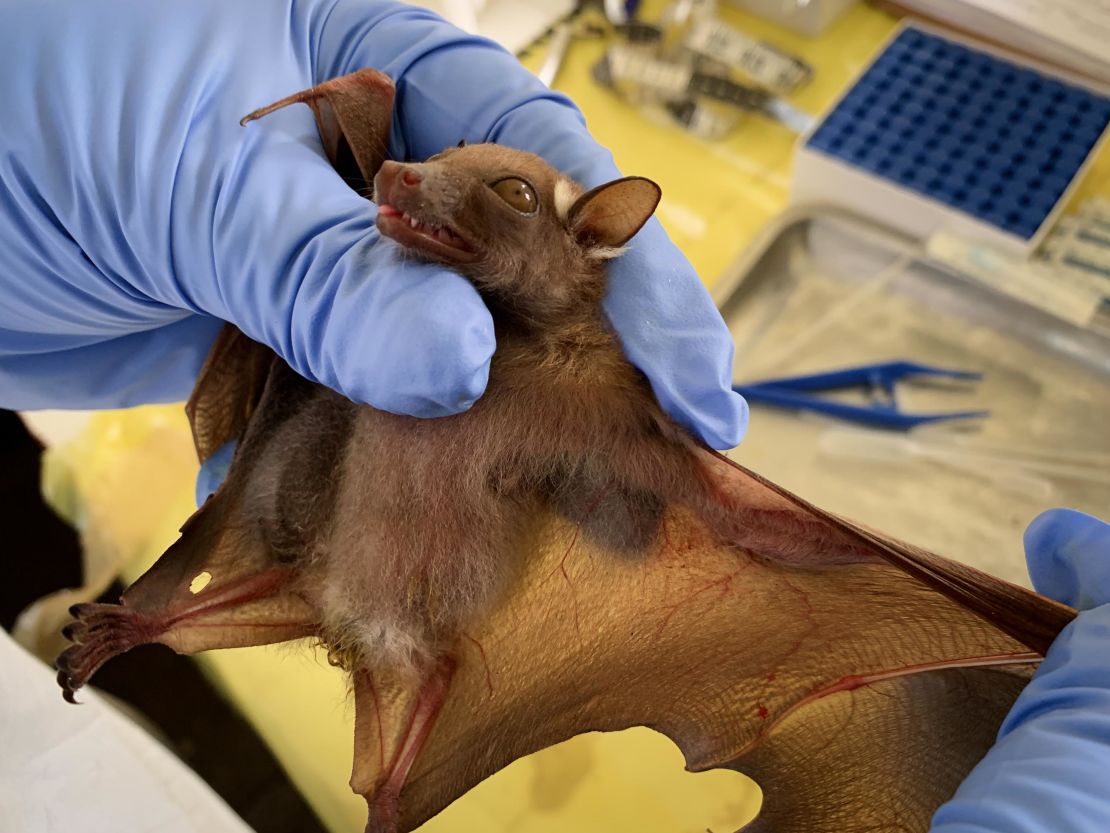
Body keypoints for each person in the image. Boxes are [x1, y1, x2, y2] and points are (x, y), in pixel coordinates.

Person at [0, 2, 1105, 831]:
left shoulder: (593, 391)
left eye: (509, 193)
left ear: (592, 238)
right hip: (331, 559)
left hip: (430, 627)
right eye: (423, 166)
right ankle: (154, 620)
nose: (420, 176)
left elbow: (767, 530)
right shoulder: (373, 312)